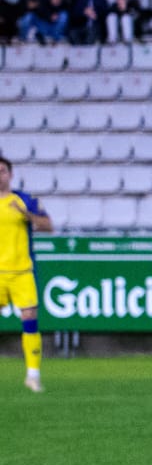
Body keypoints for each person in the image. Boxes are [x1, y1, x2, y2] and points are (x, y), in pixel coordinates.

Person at [0, 156, 53, 393]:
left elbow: (48, 226)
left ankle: (33, 375)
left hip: (22, 271)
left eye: (2, 171)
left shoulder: (25, 200)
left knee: (30, 319)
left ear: (10, 175)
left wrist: (27, 216)